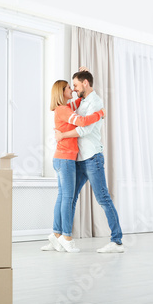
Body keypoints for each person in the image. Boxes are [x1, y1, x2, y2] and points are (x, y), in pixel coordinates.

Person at [55, 68, 124, 253]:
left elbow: (84, 129)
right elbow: (72, 110)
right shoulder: (82, 101)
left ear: (85, 83)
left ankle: (117, 241)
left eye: (76, 85)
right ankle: (61, 236)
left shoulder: (95, 102)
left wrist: (62, 135)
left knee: (103, 199)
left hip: (92, 158)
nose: (75, 89)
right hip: (79, 159)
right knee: (70, 198)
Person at [41, 80, 106, 253]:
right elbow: (83, 121)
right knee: (68, 198)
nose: (72, 89)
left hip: (61, 159)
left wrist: (82, 85)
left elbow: (81, 100)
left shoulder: (64, 107)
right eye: (69, 88)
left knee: (62, 197)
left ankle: (56, 235)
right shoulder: (63, 110)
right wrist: (100, 114)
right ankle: (67, 237)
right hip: (66, 160)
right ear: (62, 92)